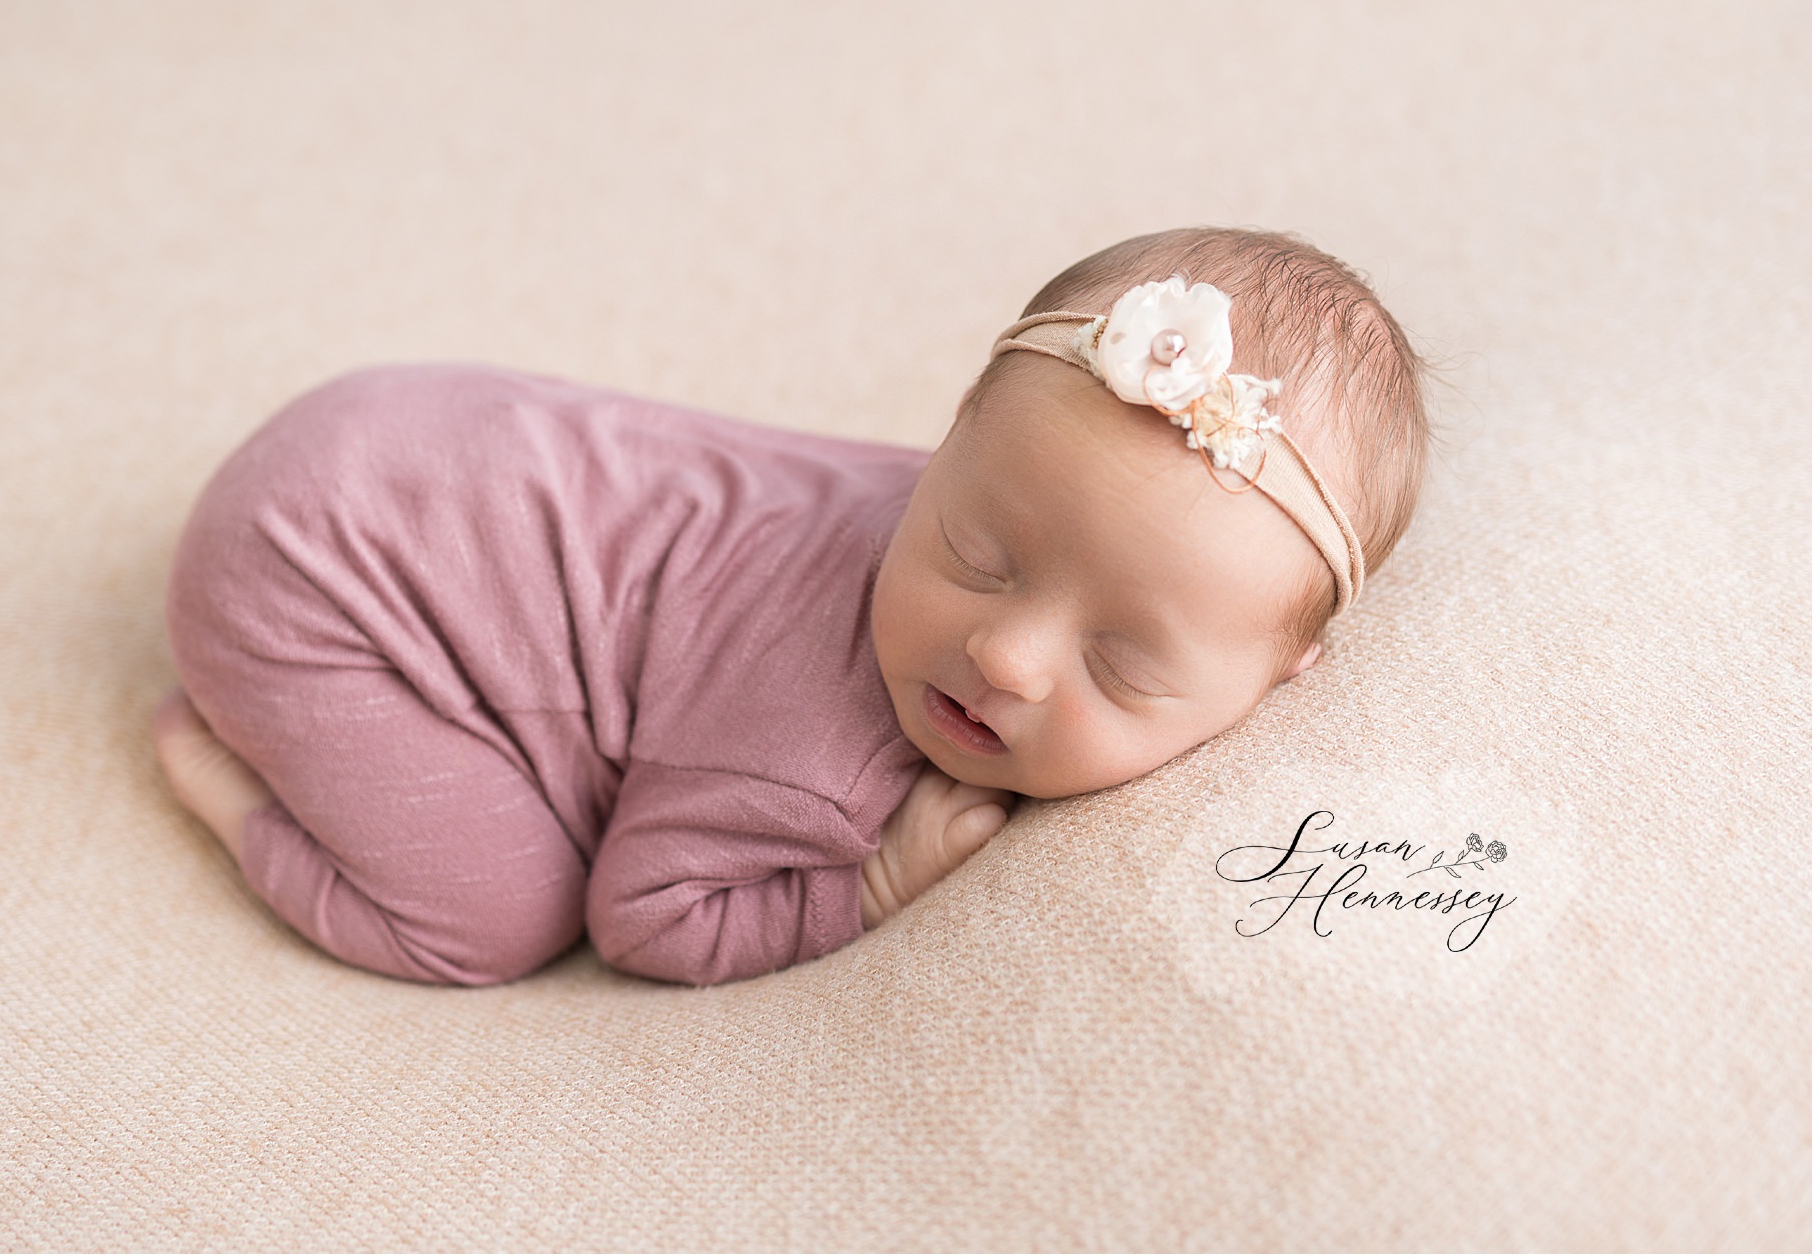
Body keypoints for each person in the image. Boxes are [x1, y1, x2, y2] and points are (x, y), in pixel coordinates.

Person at [153, 227, 1432, 986]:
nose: (1004, 651)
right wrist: (866, 884)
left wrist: (979, 545)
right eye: (976, 552)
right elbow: (642, 915)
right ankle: (222, 776)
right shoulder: (809, 758)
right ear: (942, 451)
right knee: (495, 918)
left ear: (1287, 672)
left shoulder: (1034, 509)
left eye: (1120, 658)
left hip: (412, 424)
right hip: (312, 580)